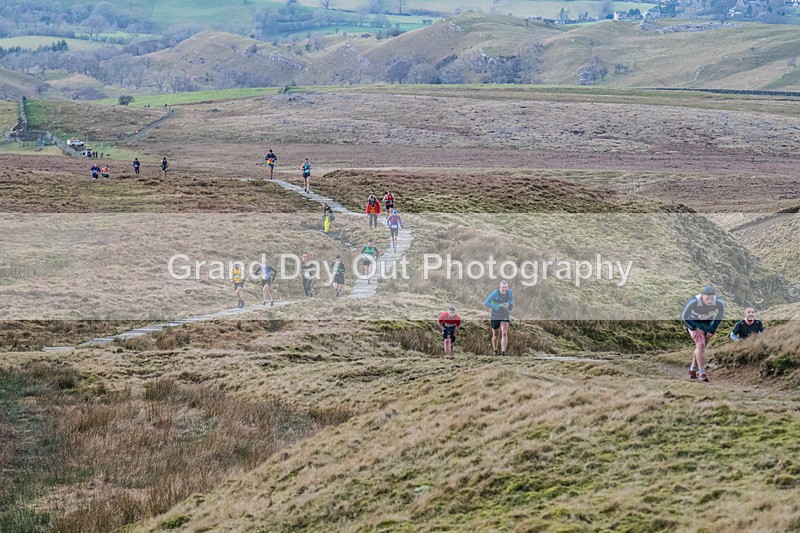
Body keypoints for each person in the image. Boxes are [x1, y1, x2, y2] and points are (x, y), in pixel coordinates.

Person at [681, 286, 725, 382]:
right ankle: (702, 373)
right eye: (707, 298)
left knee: (700, 347)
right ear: (702, 296)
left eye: (711, 298)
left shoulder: (718, 302)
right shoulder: (694, 301)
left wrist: (712, 329)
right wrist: (694, 328)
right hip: (693, 323)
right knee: (700, 345)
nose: (709, 301)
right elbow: (684, 316)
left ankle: (692, 369)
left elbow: (720, 314)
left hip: (707, 324)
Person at [484, 280, 514, 356]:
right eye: (503, 287)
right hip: (495, 314)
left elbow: (511, 299)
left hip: (504, 314)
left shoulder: (509, 292)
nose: (504, 289)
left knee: (504, 333)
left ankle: (503, 352)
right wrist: (497, 307)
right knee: (496, 335)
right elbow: (486, 302)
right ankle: (495, 350)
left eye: (506, 287)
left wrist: (510, 305)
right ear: (499, 287)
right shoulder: (495, 293)